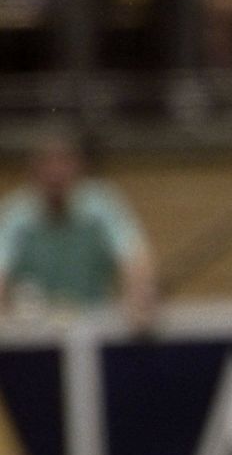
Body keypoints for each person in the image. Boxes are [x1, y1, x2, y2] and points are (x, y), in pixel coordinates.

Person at [0, 131, 156, 327]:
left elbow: (135, 258)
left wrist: (140, 296)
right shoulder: (14, 214)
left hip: (95, 323)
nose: (55, 172)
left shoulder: (103, 204)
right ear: (32, 170)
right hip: (33, 330)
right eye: (46, 163)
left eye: (63, 162)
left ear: (79, 166)